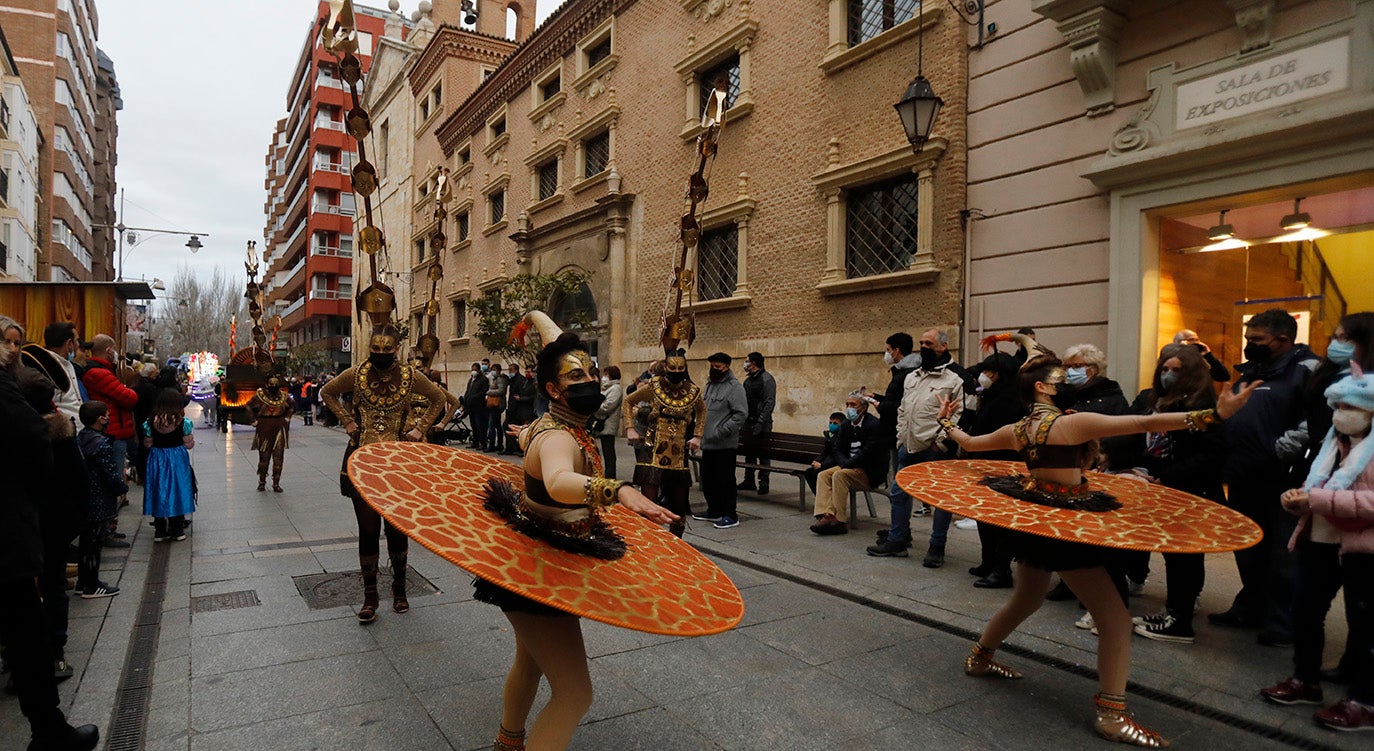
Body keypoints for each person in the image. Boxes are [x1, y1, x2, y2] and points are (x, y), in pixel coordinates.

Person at [935, 347, 1259, 747]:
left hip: (1034, 518)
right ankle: (1112, 715)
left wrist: (946, 420)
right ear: (1041, 387)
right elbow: (1142, 420)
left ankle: (980, 657)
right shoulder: (1071, 425)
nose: (1066, 379)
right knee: (1117, 621)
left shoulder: (1018, 429)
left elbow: (970, 441)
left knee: (1026, 598)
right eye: (1059, 376)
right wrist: (1212, 415)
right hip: (1061, 525)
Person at [478, 325, 679, 751]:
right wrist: (618, 489)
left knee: (530, 662)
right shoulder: (555, 436)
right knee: (574, 694)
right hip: (538, 572)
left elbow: (538, 442)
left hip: (542, 558)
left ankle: (508, 742)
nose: (589, 381)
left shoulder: (552, 425)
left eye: (590, 372)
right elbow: (557, 480)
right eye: (575, 377)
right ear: (553, 388)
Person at [0, 342, 100, 751]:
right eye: (5, 340)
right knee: (28, 628)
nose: (11, 348)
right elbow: (32, 441)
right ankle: (49, 729)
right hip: (10, 531)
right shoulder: (14, 396)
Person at [1263, 365, 1374, 732]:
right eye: (1336, 405)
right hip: (1320, 539)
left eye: (1350, 406)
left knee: (1366, 626)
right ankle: (1305, 680)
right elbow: (1314, 488)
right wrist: (1296, 499)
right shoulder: (1330, 443)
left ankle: (1364, 701)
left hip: (1364, 548)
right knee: (1306, 610)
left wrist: (1319, 499)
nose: (1340, 412)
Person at [320, 325, 446, 623]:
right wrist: (348, 422)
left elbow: (439, 399)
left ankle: (400, 590)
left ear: (395, 351)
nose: (379, 356)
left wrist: (420, 428)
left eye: (385, 352)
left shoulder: (412, 376)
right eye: (375, 351)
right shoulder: (356, 374)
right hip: (361, 459)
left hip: (397, 462)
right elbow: (327, 392)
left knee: (396, 528)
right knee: (367, 531)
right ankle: (370, 597)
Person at [1212, 309, 1320, 647]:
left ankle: (1283, 621)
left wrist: (1279, 450)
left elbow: (1316, 421)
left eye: (1256, 340)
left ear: (1284, 340)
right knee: (1248, 546)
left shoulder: (1307, 371)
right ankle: (1250, 607)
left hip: (1282, 476)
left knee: (1283, 554)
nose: (1249, 346)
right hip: (1244, 472)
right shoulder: (1252, 371)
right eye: (1248, 339)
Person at [1123, 344, 1226, 644]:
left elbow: (1211, 454)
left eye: (1177, 370)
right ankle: (1172, 612)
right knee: (1172, 554)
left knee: (1185, 556)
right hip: (1157, 488)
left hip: (1187, 490)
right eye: (1165, 369)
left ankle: (1180, 621)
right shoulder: (1154, 401)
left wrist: (1165, 476)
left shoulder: (1202, 405)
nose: (1168, 375)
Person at [870, 328, 965, 562]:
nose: (923, 347)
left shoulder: (955, 378)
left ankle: (936, 547)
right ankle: (897, 540)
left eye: (929, 344)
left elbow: (960, 416)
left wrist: (939, 445)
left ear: (943, 346)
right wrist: (902, 438)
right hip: (908, 447)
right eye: (921, 343)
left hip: (934, 451)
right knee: (899, 494)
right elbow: (904, 410)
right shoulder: (913, 376)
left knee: (939, 499)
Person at [964, 352, 1027, 589]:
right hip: (986, 465)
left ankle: (1002, 570)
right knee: (984, 518)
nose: (983, 376)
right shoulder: (992, 395)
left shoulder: (1010, 400)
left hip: (1002, 466)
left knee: (999, 520)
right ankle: (987, 562)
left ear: (998, 374)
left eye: (988, 372)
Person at [624, 352, 704, 538]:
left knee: (679, 504)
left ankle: (678, 543)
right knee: (649, 501)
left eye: (680, 368)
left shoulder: (692, 391)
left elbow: (702, 410)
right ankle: (649, 540)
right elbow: (628, 401)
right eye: (672, 368)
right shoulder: (653, 386)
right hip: (652, 449)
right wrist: (630, 428)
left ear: (685, 369)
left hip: (678, 453)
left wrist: (698, 436)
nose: (676, 371)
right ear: (666, 368)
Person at [809, 390, 885, 535]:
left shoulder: (873, 425)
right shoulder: (846, 425)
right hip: (847, 466)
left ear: (863, 407)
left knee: (839, 475)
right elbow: (837, 448)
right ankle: (824, 514)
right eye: (847, 404)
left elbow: (867, 453)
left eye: (853, 404)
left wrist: (846, 464)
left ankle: (838, 521)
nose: (849, 407)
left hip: (867, 470)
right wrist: (845, 463)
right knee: (824, 475)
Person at [75, 401, 125, 598]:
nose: (108, 418)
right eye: (106, 415)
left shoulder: (81, 438)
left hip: (86, 496)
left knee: (86, 542)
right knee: (94, 544)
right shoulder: (101, 444)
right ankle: (91, 584)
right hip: (100, 497)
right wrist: (121, 488)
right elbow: (110, 473)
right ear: (100, 419)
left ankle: (82, 581)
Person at [695, 352, 748, 529]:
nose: (714, 370)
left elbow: (740, 415)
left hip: (724, 443)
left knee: (724, 480)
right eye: (712, 366)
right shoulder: (710, 385)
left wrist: (722, 431)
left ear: (726, 367)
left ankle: (730, 514)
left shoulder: (734, 388)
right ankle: (714, 509)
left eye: (717, 367)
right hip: (708, 442)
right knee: (708, 479)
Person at [81, 335, 139, 494]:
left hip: (110, 429)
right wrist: (129, 387)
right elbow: (129, 397)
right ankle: (109, 514)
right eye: (113, 350)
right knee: (112, 478)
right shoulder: (101, 373)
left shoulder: (101, 371)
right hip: (112, 431)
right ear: (108, 351)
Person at [143, 388, 196, 542]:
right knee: (178, 489)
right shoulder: (183, 422)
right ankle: (177, 528)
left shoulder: (150, 421)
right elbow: (189, 445)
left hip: (157, 457)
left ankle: (159, 530)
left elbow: (148, 444)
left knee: (158, 489)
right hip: (177, 458)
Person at [20, 321, 83, 422]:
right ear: (69, 343)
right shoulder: (44, 367)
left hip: (78, 429)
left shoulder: (68, 364)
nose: (79, 345)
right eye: (77, 340)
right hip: (61, 430)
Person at [738, 352, 777, 494]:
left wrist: (761, 422)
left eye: (747, 361)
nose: (745, 363)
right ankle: (749, 480)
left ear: (753, 363)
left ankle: (764, 483)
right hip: (748, 421)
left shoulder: (767, 380)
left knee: (763, 453)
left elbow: (769, 403)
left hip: (762, 423)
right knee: (749, 453)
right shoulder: (748, 381)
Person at [248, 374, 295, 492]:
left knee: (278, 457)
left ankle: (276, 483)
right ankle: (262, 482)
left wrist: (288, 417)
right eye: (271, 384)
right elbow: (248, 406)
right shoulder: (259, 395)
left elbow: (292, 405)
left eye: (276, 384)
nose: (274, 386)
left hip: (279, 426)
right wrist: (253, 420)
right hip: (264, 426)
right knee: (264, 457)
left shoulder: (284, 396)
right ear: (267, 385)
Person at [805, 411, 846, 494]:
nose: (832, 425)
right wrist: (817, 460)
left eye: (835, 423)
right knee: (809, 472)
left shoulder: (843, 437)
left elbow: (837, 457)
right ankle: (820, 497)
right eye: (830, 423)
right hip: (827, 463)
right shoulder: (829, 436)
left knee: (818, 474)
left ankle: (825, 497)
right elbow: (825, 452)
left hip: (836, 464)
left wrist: (822, 465)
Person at [593, 365, 623, 479]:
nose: (604, 377)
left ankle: (610, 476)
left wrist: (595, 406)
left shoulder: (615, 388)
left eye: (606, 374)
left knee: (609, 452)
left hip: (608, 423)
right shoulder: (606, 388)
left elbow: (608, 406)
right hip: (603, 422)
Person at [505, 363, 537, 455]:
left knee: (525, 429)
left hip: (527, 409)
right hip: (520, 409)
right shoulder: (525, 382)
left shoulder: (532, 383)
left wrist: (521, 399)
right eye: (526, 371)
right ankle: (517, 448)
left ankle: (524, 449)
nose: (527, 373)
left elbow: (532, 397)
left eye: (529, 372)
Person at [464, 361, 491, 451]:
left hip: (479, 406)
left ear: (479, 370)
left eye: (475, 370)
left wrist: (474, 397)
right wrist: (466, 400)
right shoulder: (471, 379)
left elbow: (484, 392)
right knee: (474, 425)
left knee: (480, 426)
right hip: (471, 406)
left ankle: (483, 443)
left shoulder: (483, 379)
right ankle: (475, 442)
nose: (473, 371)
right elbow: (468, 391)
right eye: (472, 370)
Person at [486, 362, 510, 452]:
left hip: (497, 405)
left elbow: (501, 391)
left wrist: (489, 392)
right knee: (497, 425)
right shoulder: (496, 379)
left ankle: (492, 445)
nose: (493, 371)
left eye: (494, 370)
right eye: (492, 370)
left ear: (499, 370)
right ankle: (499, 444)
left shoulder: (500, 379)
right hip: (495, 405)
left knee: (491, 425)